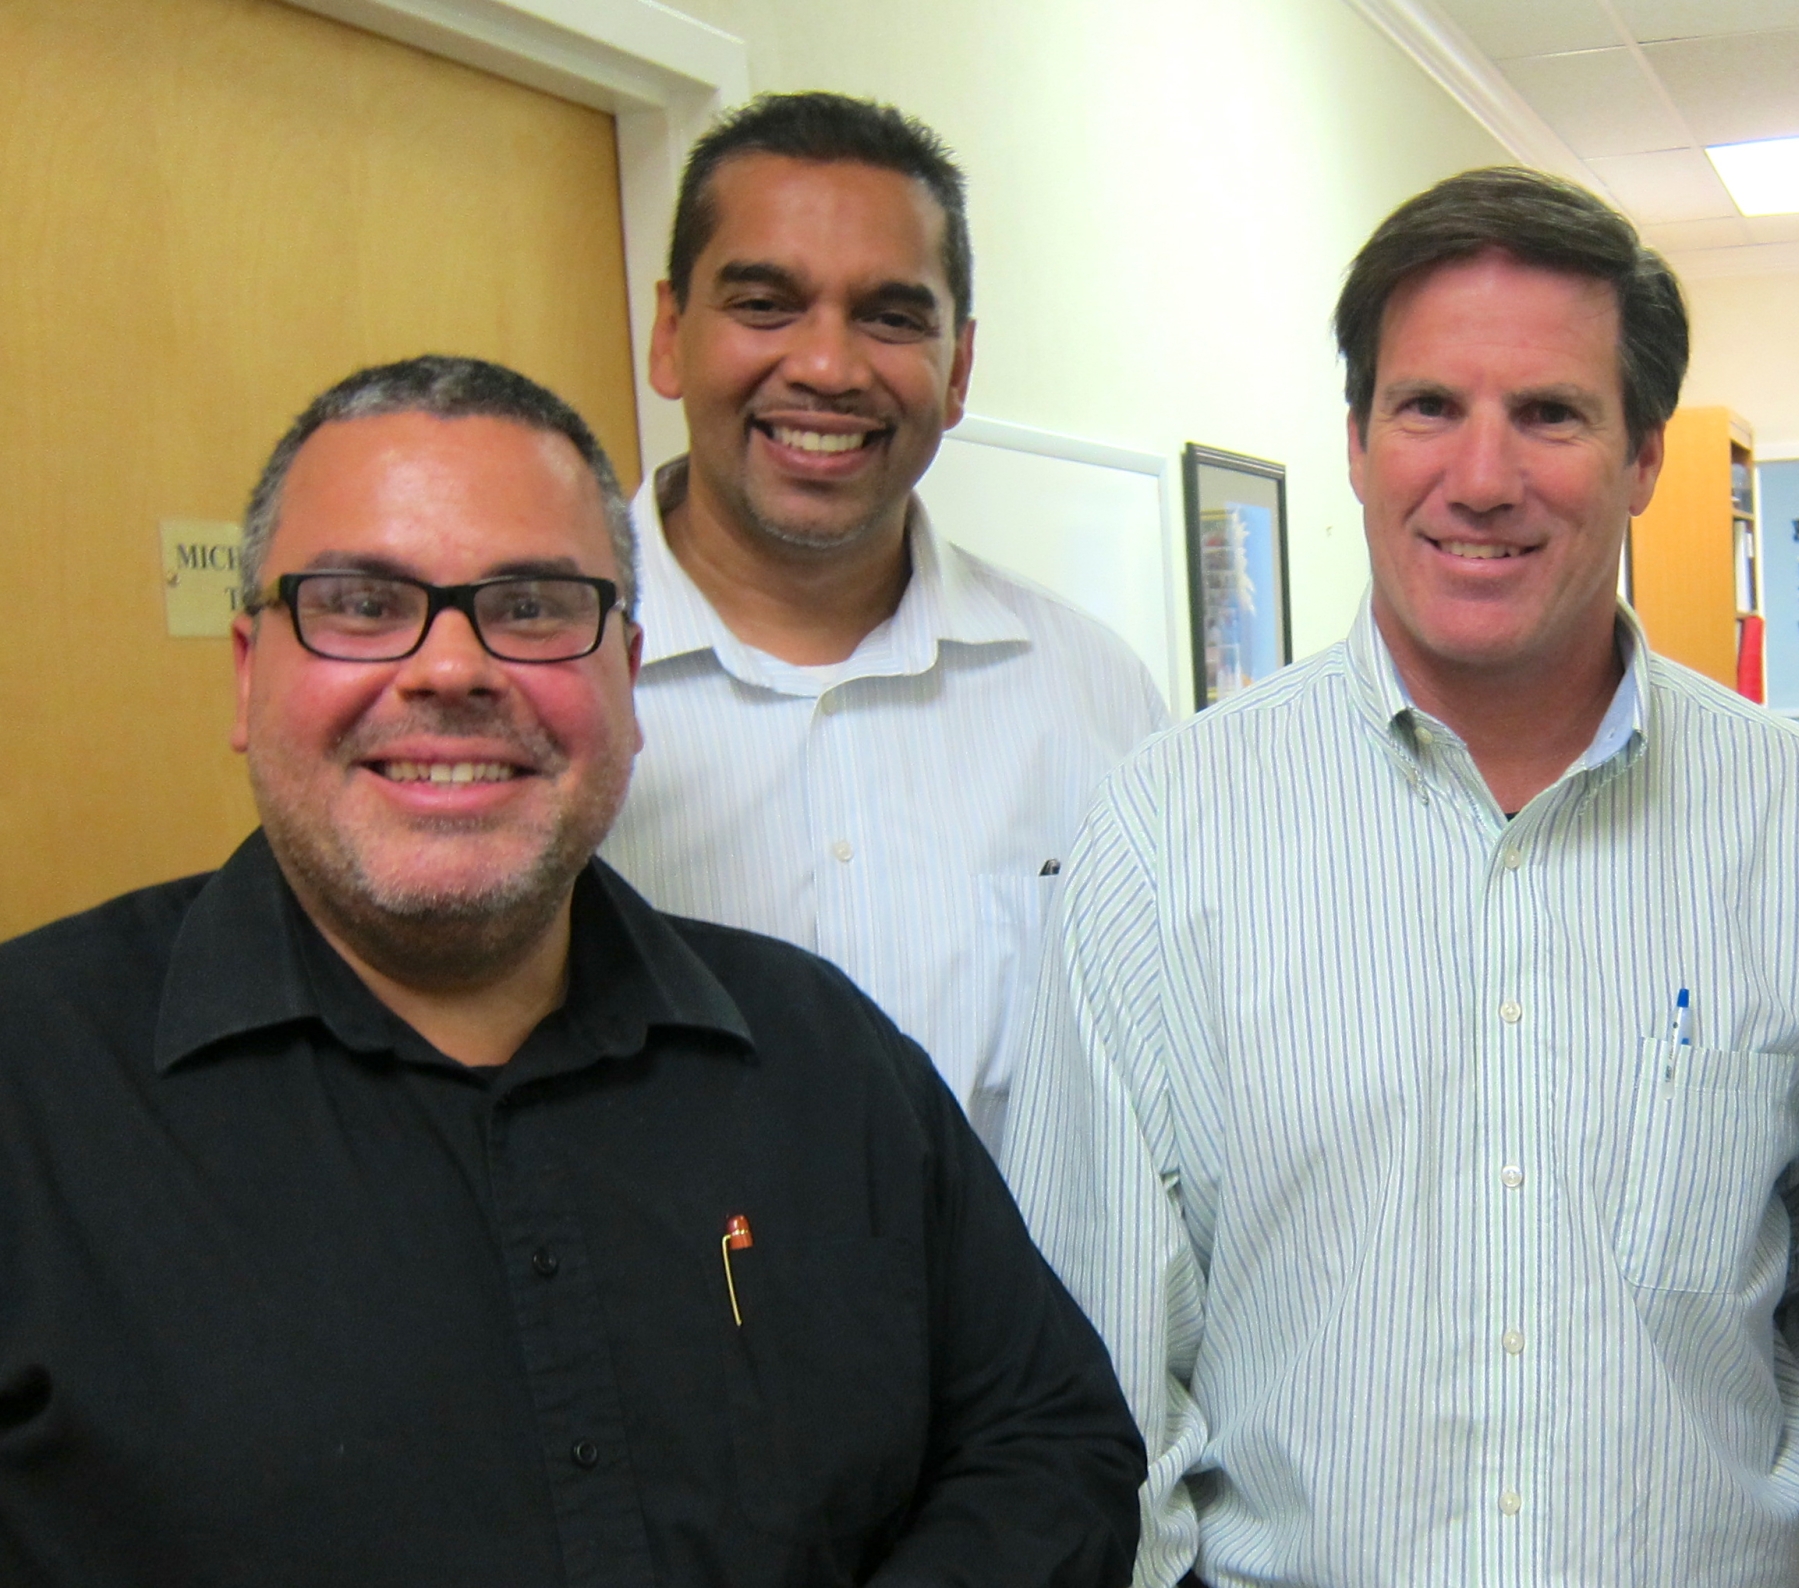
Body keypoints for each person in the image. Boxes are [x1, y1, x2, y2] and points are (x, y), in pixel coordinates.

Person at [0, 356, 1142, 1587]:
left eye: (534, 605)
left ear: (627, 678)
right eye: (362, 603)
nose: (450, 669)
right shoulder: (32, 1091)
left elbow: (1049, 1442)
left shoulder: (823, 1056)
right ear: (246, 671)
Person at [1005, 168, 1799, 1588]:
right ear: (1357, 442)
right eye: (1428, 406)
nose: (1482, 479)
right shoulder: (1169, 834)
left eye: (1549, 413)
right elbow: (1097, 1355)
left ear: (1642, 457)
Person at [599, 93, 1166, 1142]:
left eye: (891, 318)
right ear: (670, 334)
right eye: (765, 304)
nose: (828, 367)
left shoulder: (1092, 696)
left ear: (958, 369)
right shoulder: (540, 691)